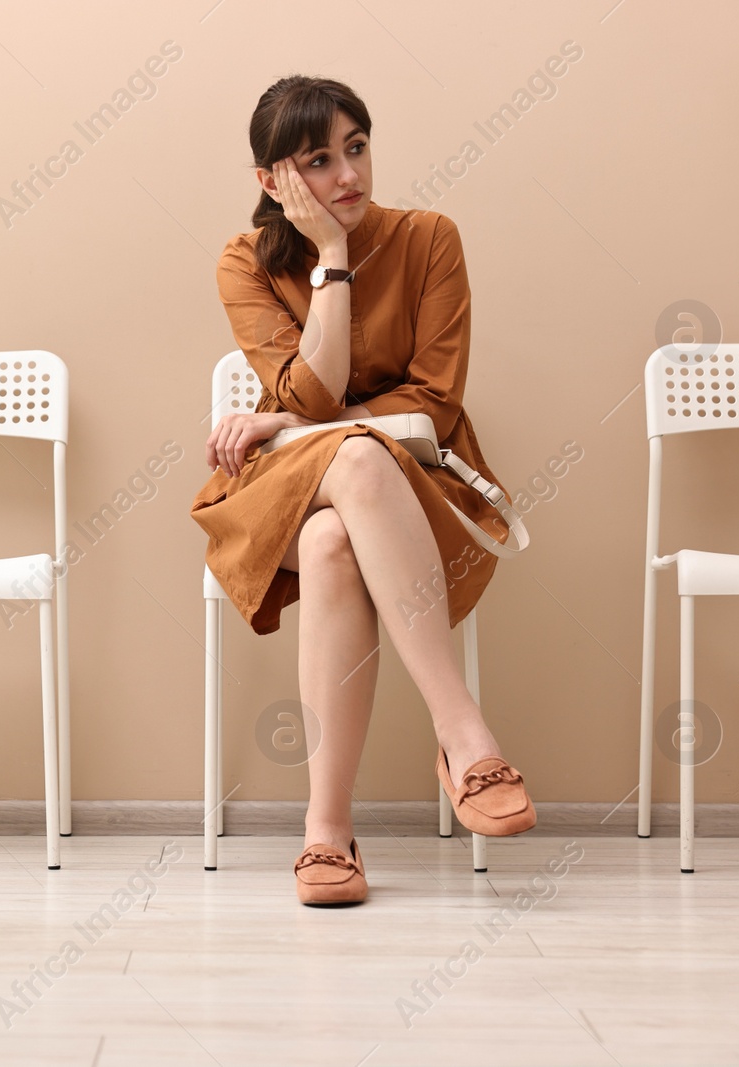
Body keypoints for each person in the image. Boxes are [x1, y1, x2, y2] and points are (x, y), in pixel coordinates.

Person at [190, 75, 535, 907]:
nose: (348, 175)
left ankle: (326, 830)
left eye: (357, 148)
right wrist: (334, 264)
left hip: (414, 484)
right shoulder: (245, 261)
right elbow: (312, 398)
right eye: (318, 161)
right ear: (272, 181)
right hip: (280, 487)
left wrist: (289, 422)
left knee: (335, 534)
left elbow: (435, 401)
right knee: (350, 458)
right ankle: (462, 732)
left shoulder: (429, 238)